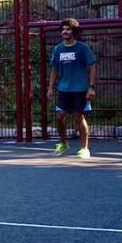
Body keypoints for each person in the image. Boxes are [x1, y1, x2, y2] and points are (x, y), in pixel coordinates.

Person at [48, 17, 97, 159]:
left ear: (73, 31)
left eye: (68, 29)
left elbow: (92, 66)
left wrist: (91, 87)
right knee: (59, 116)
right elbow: (54, 69)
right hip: (63, 89)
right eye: (63, 29)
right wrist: (50, 87)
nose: (65, 31)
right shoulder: (57, 49)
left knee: (78, 117)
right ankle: (63, 143)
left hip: (80, 89)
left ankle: (84, 148)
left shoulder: (82, 48)